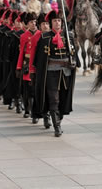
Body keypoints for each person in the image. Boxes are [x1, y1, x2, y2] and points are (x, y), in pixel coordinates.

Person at [32, 9, 77, 137]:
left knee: (63, 98)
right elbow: (39, 59)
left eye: (59, 20)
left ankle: (58, 118)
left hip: (65, 72)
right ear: (51, 23)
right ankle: (57, 127)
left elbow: (73, 53)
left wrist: (73, 61)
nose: (57, 23)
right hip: (51, 73)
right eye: (55, 21)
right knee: (54, 99)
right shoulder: (44, 38)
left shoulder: (68, 36)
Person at [16, 12, 38, 120]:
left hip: (37, 64)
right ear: (27, 24)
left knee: (35, 90)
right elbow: (21, 53)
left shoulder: (40, 34)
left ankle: (35, 112)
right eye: (31, 22)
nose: (33, 24)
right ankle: (27, 109)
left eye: (35, 22)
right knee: (27, 90)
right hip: (27, 64)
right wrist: (19, 67)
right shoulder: (24, 36)